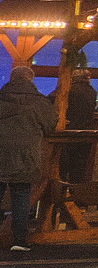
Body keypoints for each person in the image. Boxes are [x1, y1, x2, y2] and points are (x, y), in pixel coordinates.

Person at [0, 67, 57, 252]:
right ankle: (19, 240)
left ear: (11, 78)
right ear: (31, 80)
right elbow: (50, 125)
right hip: (25, 155)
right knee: (21, 195)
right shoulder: (40, 102)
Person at [61, 68, 98, 183]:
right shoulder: (92, 92)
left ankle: (59, 195)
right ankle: (75, 195)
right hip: (86, 134)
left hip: (67, 133)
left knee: (62, 168)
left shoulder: (68, 91)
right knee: (79, 168)